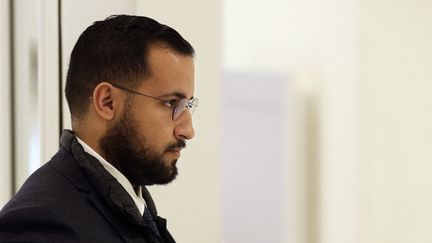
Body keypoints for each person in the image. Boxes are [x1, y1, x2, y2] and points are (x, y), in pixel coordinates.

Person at [0, 14, 197, 242]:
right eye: (171, 103)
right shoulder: (42, 225)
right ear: (107, 102)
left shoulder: (129, 204)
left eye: (188, 106)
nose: (188, 130)